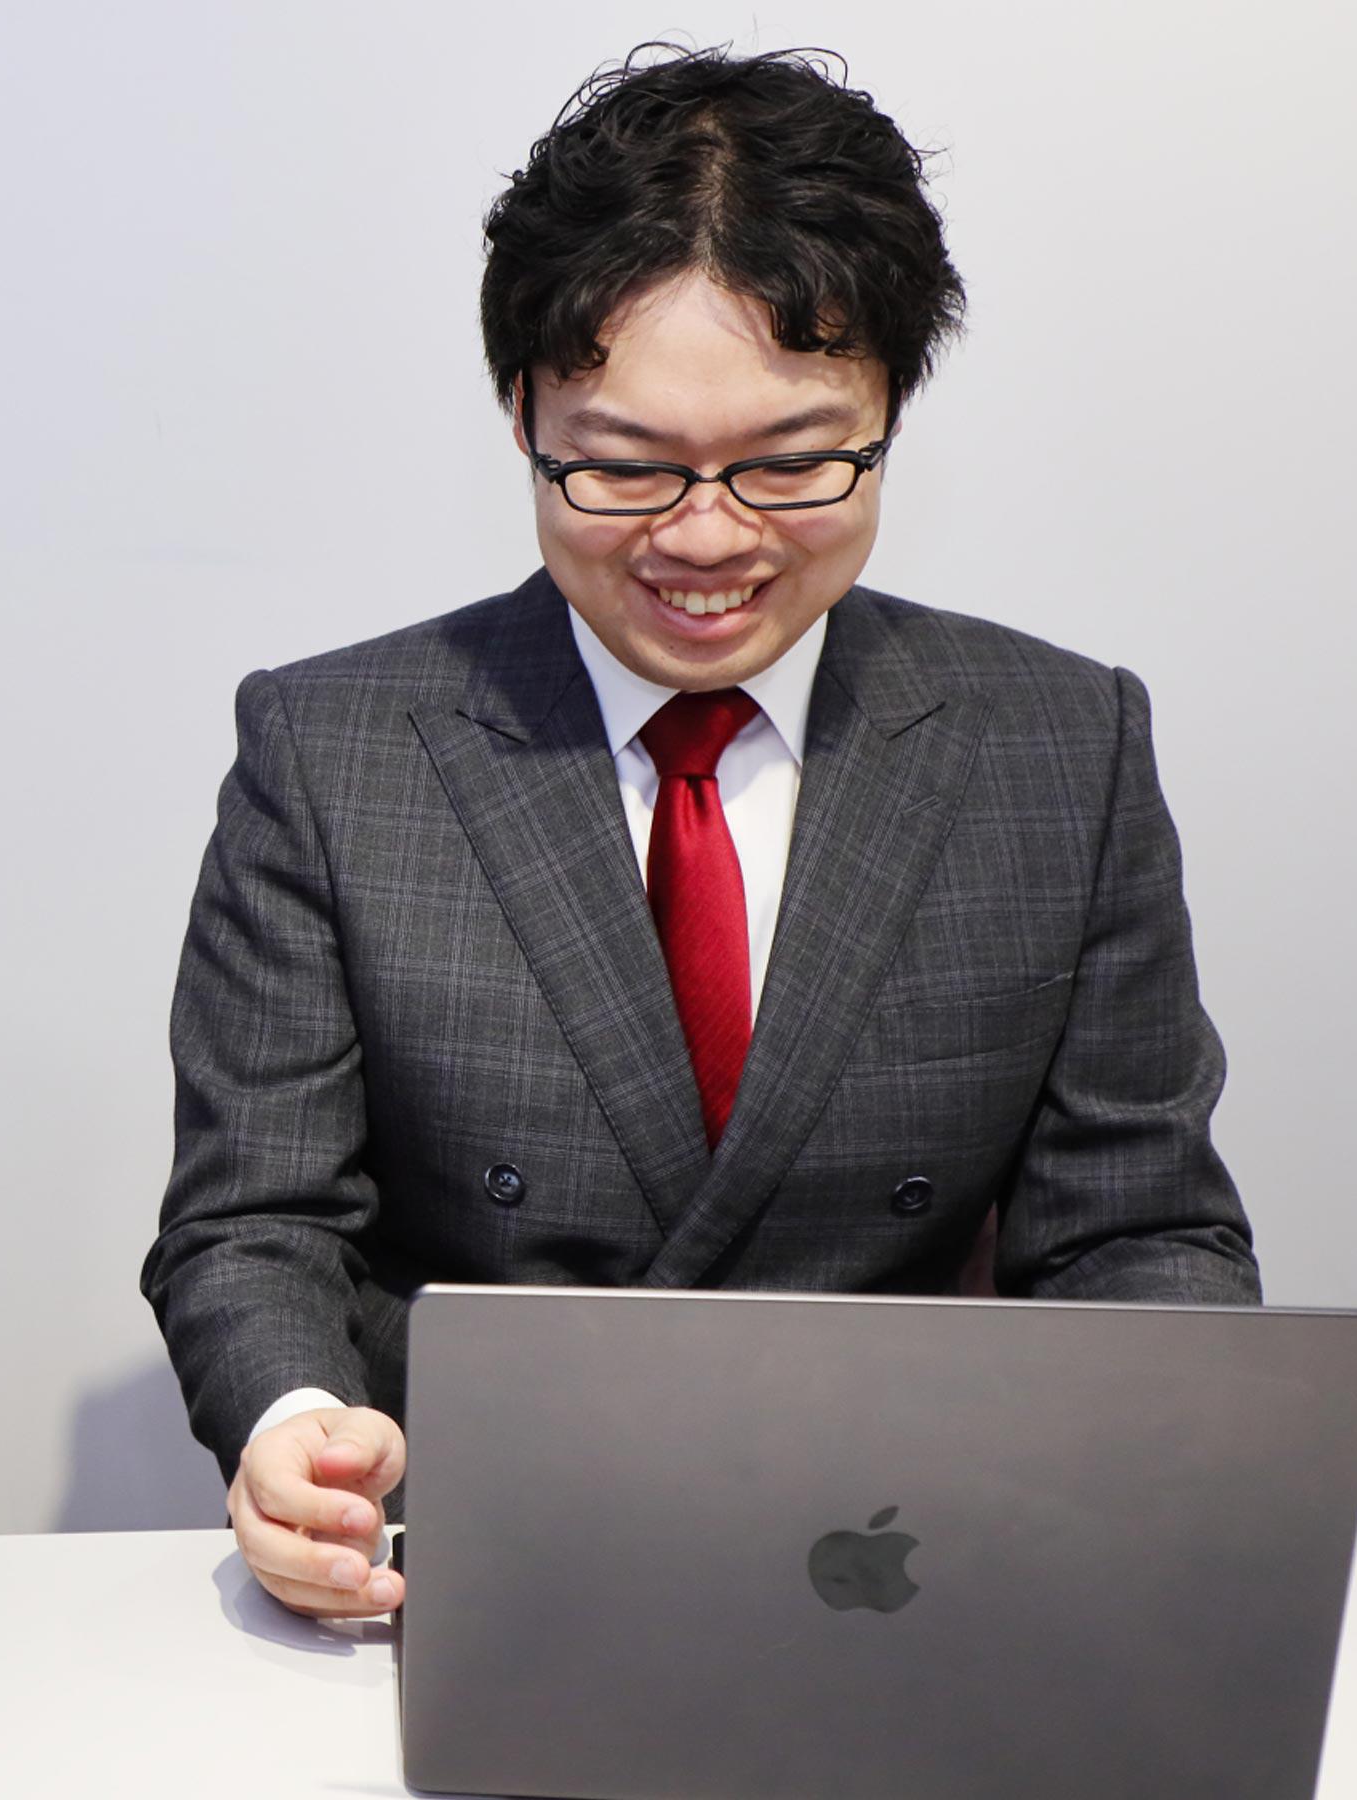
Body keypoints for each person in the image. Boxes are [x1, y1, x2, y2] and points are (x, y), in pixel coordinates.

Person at [142, 46, 1257, 1621]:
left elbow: (1139, 1228)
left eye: (793, 461)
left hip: (916, 1569)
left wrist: (1166, 1465)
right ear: (522, 413)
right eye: (625, 466)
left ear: (893, 412)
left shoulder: (1058, 748)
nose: (710, 536)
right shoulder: (336, 751)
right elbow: (256, 1222)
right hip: (485, 1567)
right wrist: (298, 1433)